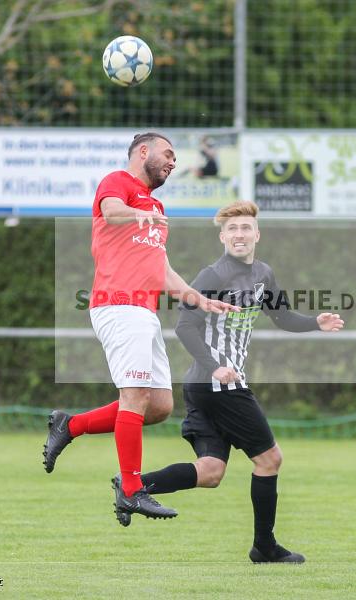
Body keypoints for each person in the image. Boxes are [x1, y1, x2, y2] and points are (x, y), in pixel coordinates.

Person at [121, 200, 344, 564]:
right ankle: (265, 548)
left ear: (257, 234)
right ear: (223, 236)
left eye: (245, 228)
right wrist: (214, 367)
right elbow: (184, 326)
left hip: (206, 387)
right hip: (217, 385)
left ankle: (133, 484)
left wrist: (314, 323)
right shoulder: (213, 276)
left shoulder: (263, 274)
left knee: (211, 472)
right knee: (270, 459)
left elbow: (282, 316)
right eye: (232, 229)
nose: (239, 235)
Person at [42, 132, 238, 524]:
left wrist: (200, 299)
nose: (172, 162)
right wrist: (137, 213)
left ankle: (71, 425)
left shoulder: (156, 205)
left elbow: (160, 270)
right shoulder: (118, 182)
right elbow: (112, 211)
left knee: (158, 407)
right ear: (143, 152)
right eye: (168, 154)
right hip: (117, 304)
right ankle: (131, 490)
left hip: (144, 310)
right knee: (133, 397)